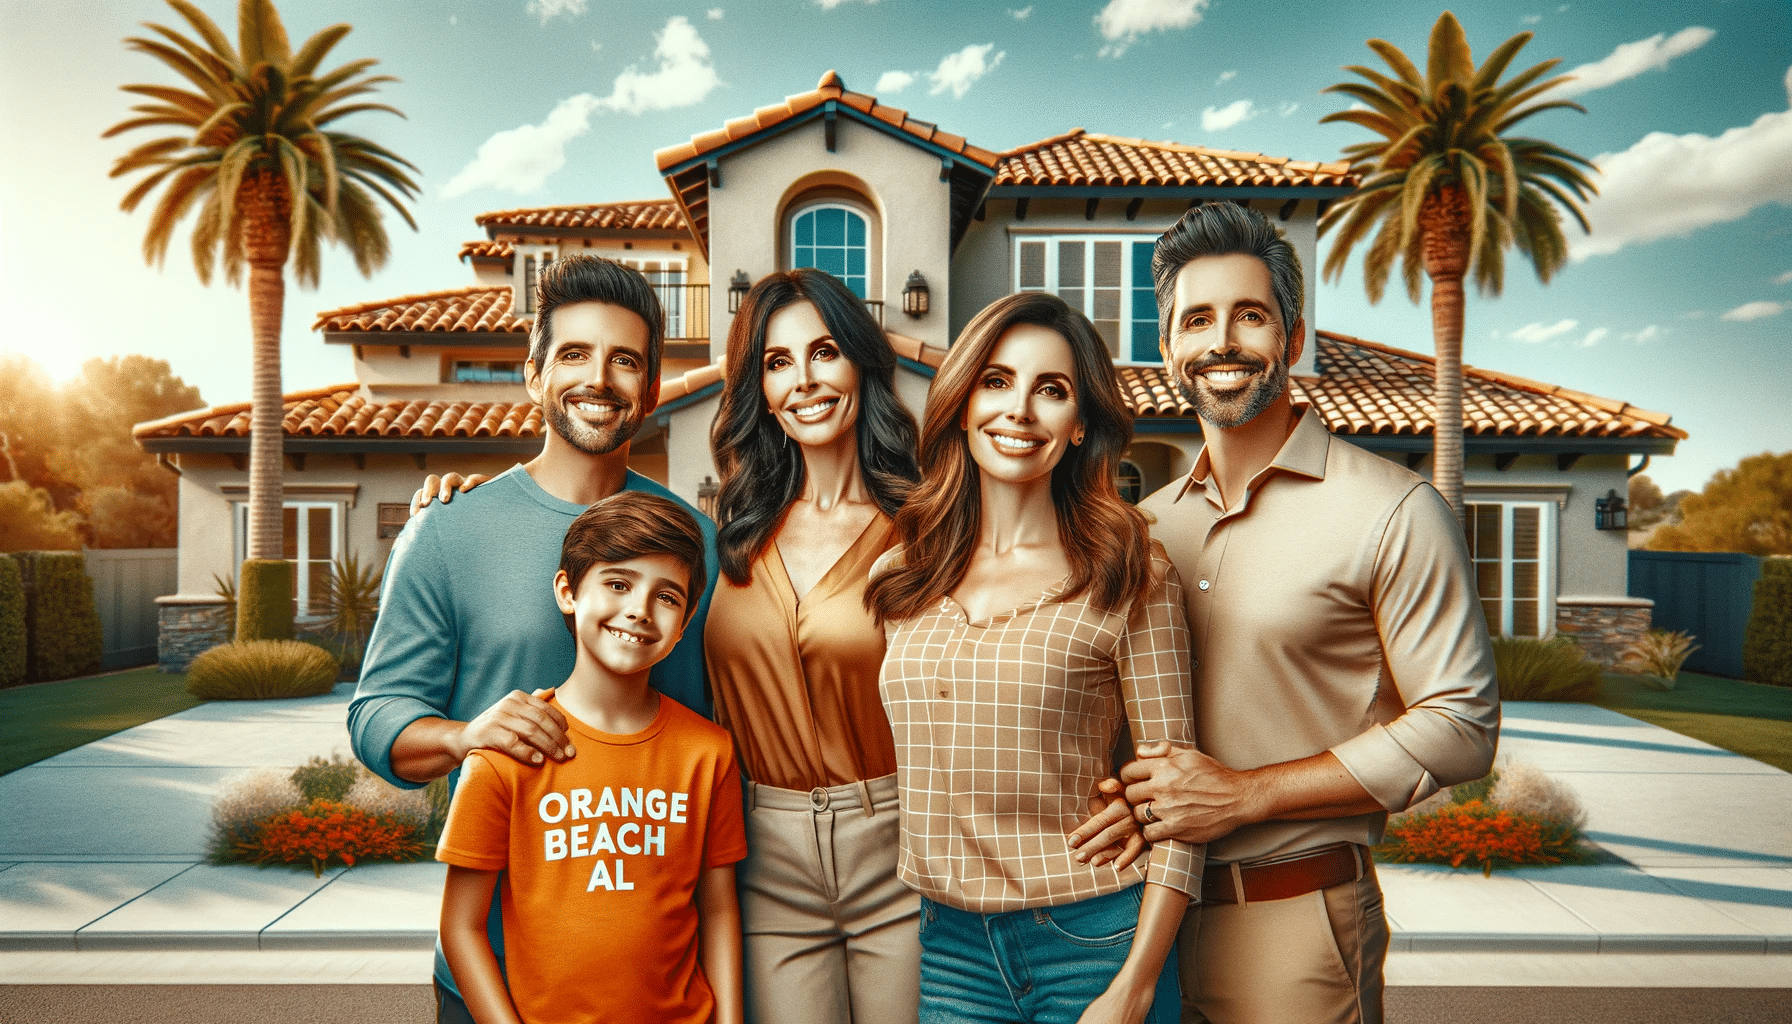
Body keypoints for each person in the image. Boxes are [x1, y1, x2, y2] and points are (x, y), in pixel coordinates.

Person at [1070, 202, 1499, 1024]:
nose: (1221, 340)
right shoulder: (1147, 527)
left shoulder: (1393, 509)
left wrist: (1248, 795)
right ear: (1168, 349)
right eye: (1196, 319)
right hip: (1136, 925)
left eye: (1250, 315)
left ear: (1292, 340)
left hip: (1295, 928)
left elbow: (1462, 722)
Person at [347, 254, 718, 1023]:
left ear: (650, 390)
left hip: (661, 982)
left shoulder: (699, 547)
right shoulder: (448, 532)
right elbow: (377, 712)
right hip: (495, 980)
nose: (600, 378)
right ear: (534, 374)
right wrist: (464, 737)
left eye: (625, 361)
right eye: (575, 354)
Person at [865, 291, 1199, 1024]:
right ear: (960, 403)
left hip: (1092, 937)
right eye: (996, 381)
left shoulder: (1132, 570)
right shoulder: (901, 574)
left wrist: (1135, 986)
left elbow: (1179, 806)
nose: (1018, 409)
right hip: (948, 944)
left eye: (1051, 391)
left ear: (1080, 426)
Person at [704, 269, 924, 1024]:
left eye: (824, 351)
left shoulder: (926, 528)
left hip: (900, 843)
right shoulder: (725, 538)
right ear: (758, 390)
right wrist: (467, 494)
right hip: (764, 854)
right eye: (776, 362)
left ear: (860, 363)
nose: (804, 380)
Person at [437, 492, 745, 1024]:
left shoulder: (708, 752)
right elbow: (460, 928)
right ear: (567, 591)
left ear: (687, 618)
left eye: (667, 597)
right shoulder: (506, 754)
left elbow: (718, 912)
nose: (639, 611)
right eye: (618, 584)